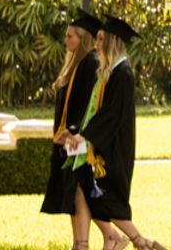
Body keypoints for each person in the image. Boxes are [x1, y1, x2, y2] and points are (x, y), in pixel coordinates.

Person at [69, 16, 165, 250]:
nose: (96, 44)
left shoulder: (123, 73)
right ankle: (134, 243)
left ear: (111, 41)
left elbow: (112, 114)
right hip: (103, 143)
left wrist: (88, 135)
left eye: (101, 39)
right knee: (88, 192)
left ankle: (140, 241)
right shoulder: (110, 71)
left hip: (113, 147)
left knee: (105, 199)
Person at [44, 13, 111, 249]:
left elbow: (87, 106)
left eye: (70, 36)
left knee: (81, 192)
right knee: (75, 193)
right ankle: (81, 243)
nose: (66, 40)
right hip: (70, 139)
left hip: (80, 140)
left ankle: (110, 235)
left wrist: (72, 132)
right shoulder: (77, 63)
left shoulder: (91, 63)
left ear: (82, 38)